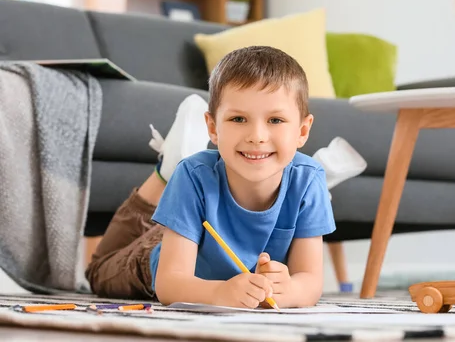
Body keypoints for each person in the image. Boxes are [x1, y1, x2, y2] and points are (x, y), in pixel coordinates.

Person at [86, 46, 339, 309]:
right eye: (238, 118)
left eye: (275, 120)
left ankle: (167, 174)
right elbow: (169, 285)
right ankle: (165, 173)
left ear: (302, 130)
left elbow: (309, 282)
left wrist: (289, 289)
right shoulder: (192, 174)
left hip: (189, 229)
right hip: (157, 257)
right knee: (98, 271)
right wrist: (220, 293)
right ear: (212, 128)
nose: (257, 136)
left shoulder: (309, 179)